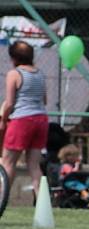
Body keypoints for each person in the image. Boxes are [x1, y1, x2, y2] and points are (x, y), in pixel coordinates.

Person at [0, 40, 48, 202]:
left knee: (8, 161)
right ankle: (43, 205)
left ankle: (1, 198)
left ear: (14, 58)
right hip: (41, 119)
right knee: (34, 165)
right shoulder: (40, 74)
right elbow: (44, 100)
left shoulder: (14, 74)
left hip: (22, 120)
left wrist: (3, 118)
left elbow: (10, 103)